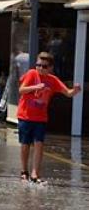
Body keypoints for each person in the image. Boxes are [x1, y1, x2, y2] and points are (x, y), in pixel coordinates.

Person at [17, 51, 80, 183]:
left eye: (44, 66)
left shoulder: (53, 80)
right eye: (38, 65)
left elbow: (67, 93)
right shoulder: (31, 74)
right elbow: (21, 90)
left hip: (40, 118)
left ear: (50, 68)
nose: (40, 68)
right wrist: (36, 86)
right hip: (25, 115)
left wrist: (75, 90)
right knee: (25, 144)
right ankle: (24, 171)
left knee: (39, 144)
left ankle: (35, 173)